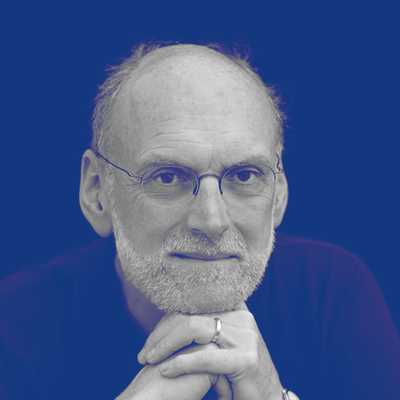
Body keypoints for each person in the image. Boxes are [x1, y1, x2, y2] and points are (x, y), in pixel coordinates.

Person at [1, 43, 399, 400]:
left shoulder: (331, 292)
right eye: (167, 177)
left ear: (278, 194)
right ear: (96, 192)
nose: (211, 221)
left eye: (244, 175)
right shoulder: (14, 326)